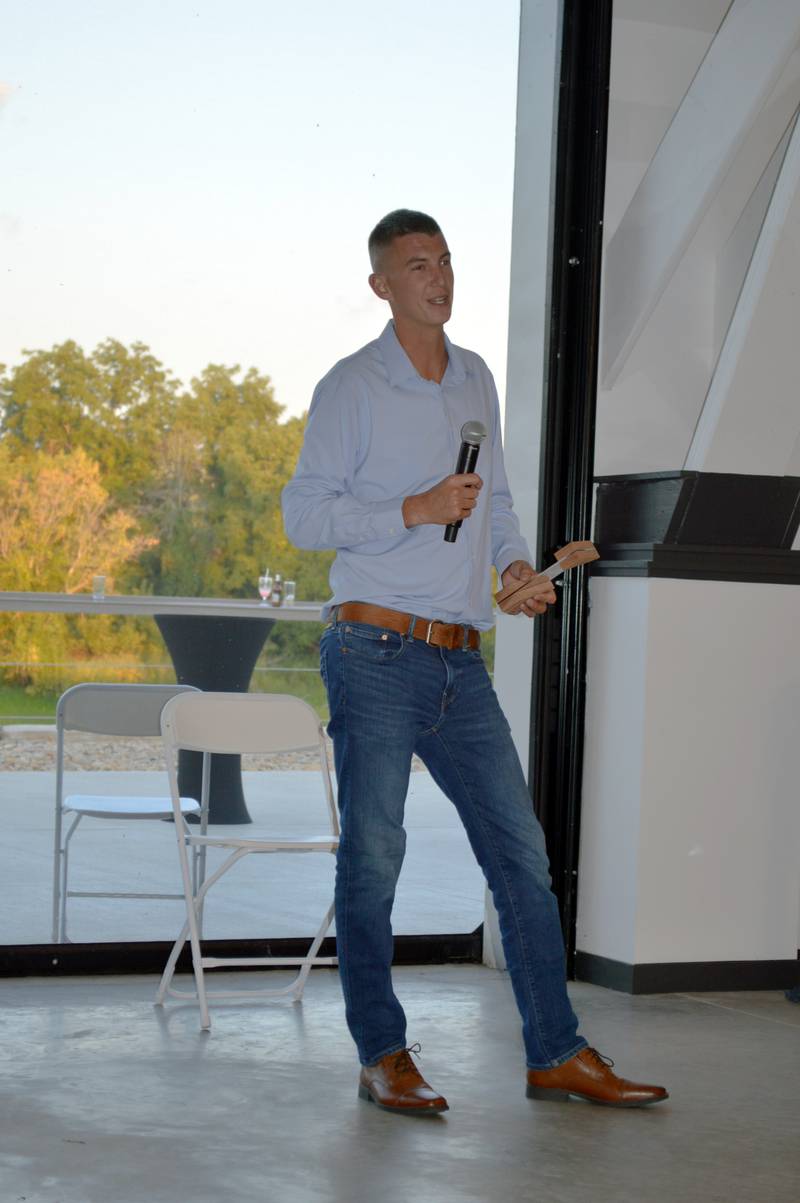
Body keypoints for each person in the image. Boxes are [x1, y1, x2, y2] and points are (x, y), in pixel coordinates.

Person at [282, 209, 667, 1115]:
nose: (439, 277)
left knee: (521, 854)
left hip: (460, 661)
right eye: (418, 264)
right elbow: (303, 517)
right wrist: (411, 508)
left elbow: (492, 502)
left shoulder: (476, 378)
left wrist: (515, 568)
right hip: (372, 649)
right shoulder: (352, 387)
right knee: (375, 857)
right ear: (381, 284)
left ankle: (556, 1051)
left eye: (446, 261)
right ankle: (384, 1052)